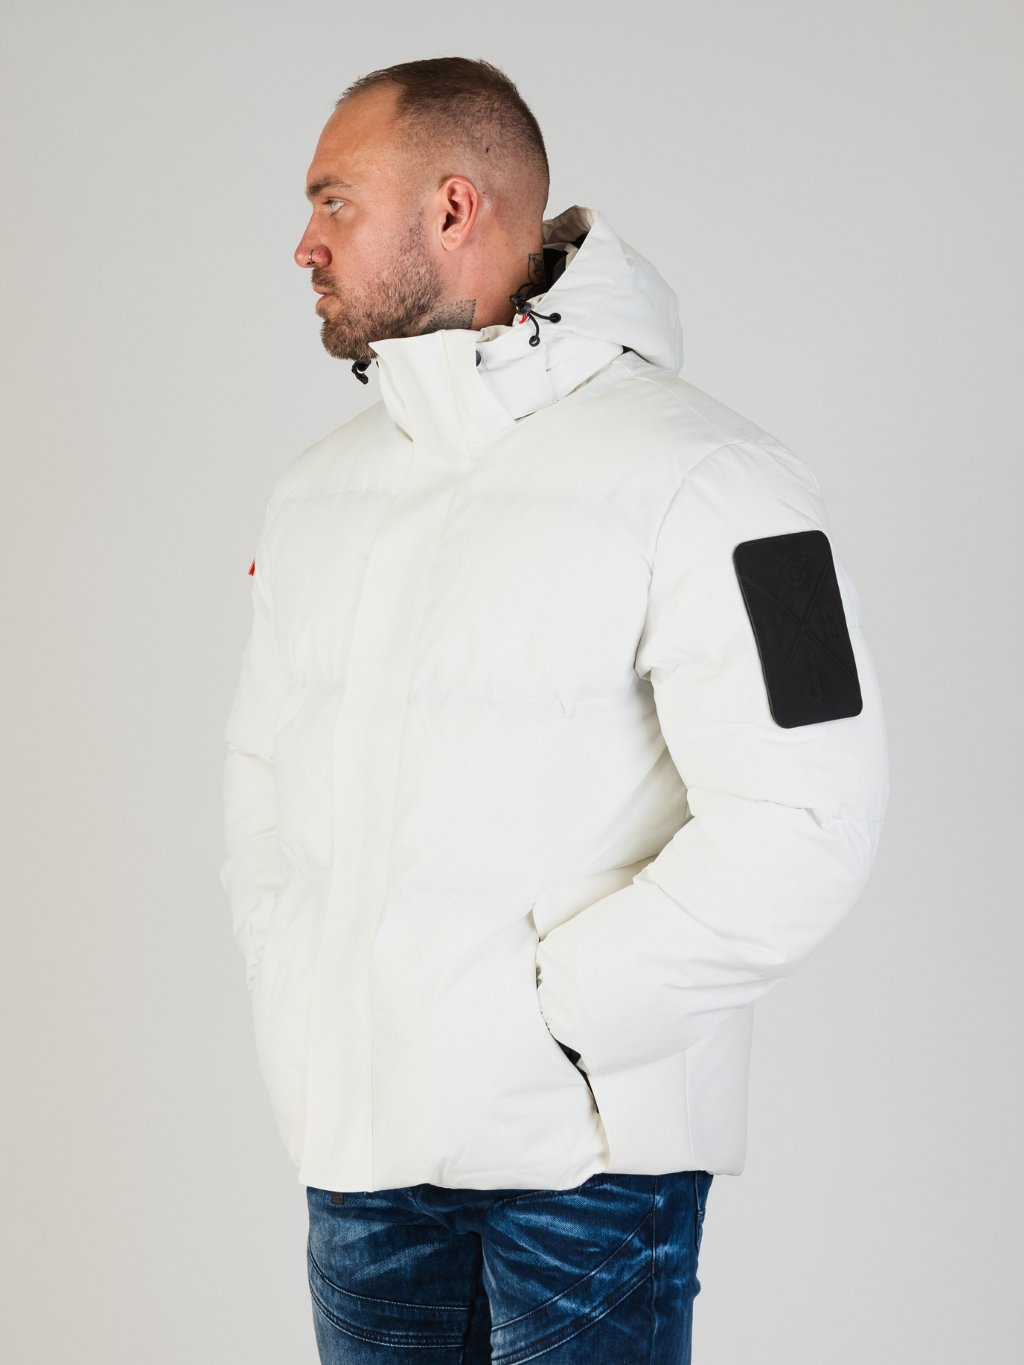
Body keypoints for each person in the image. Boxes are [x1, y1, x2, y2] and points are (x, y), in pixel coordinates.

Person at [220, 56, 890, 1364]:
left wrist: (555, 1024)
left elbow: (812, 817)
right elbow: (260, 782)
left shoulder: (722, 479)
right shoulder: (314, 497)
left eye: (334, 202)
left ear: (453, 208)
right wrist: (299, 990)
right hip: (360, 1165)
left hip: (585, 1177)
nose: (304, 243)